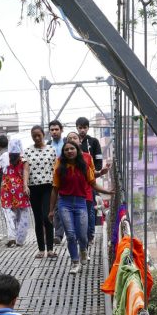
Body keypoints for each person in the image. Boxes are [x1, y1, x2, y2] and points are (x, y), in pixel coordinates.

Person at [48, 140, 108, 275]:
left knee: (82, 235)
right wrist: (51, 210)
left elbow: (93, 184)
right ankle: (75, 262)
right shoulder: (60, 168)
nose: (69, 151)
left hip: (81, 203)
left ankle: (83, 249)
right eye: (66, 149)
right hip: (64, 203)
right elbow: (55, 189)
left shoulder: (84, 166)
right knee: (70, 235)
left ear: (77, 150)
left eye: (72, 149)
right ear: (63, 152)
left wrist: (107, 192)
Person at [0, 137, 31, 247]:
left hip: (7, 188)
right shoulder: (24, 158)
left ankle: (12, 237)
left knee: (9, 213)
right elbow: (27, 172)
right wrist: (25, 186)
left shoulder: (4, 156)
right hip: (20, 189)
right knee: (23, 213)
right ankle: (20, 239)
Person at [23, 125, 57, 259]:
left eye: (39, 135)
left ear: (43, 135)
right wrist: (25, 185)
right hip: (33, 187)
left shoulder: (51, 149)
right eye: (34, 136)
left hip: (48, 186)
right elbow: (26, 169)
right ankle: (41, 249)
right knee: (38, 218)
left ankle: (50, 249)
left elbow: (55, 168)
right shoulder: (27, 151)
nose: (37, 138)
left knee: (47, 216)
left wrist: (58, 185)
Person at [76, 117, 109, 246]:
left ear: (88, 128)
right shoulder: (73, 143)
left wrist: (96, 170)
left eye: (84, 127)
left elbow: (99, 159)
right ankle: (81, 234)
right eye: (80, 127)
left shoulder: (93, 142)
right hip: (76, 180)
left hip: (90, 178)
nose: (82, 130)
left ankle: (90, 234)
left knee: (90, 207)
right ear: (77, 128)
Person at [48, 120, 65, 243]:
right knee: (52, 207)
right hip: (50, 180)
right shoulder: (47, 146)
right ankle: (54, 234)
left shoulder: (67, 144)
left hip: (65, 179)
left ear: (61, 130)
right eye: (52, 130)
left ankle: (59, 235)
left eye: (56, 129)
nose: (54, 132)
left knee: (61, 207)